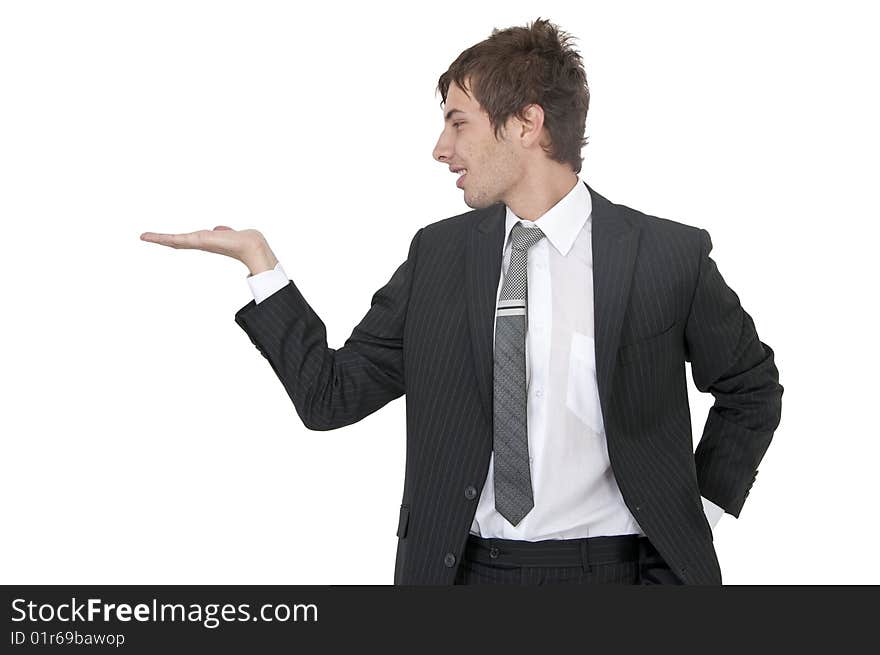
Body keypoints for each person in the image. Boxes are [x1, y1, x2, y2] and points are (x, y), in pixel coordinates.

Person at [141, 17, 783, 585]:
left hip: (622, 573)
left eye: (458, 122)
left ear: (527, 123)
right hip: (464, 575)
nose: (440, 149)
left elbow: (751, 388)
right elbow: (329, 398)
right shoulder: (437, 257)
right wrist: (261, 264)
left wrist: (694, 515)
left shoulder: (665, 255)